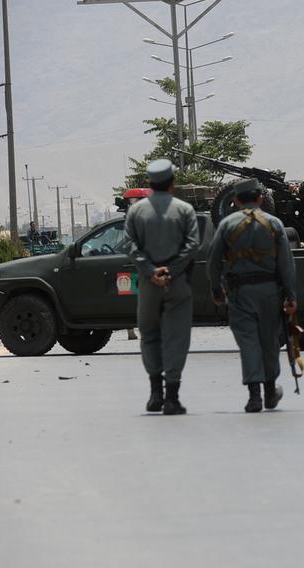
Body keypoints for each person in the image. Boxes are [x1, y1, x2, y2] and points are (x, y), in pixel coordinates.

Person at [208, 178, 297, 413]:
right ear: (260, 198)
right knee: (269, 341)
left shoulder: (226, 224)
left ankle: (254, 396)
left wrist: (216, 290)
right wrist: (290, 296)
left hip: (239, 293)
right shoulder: (274, 224)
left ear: (236, 200)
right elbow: (286, 265)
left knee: (248, 342)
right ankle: (270, 391)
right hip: (269, 292)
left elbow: (213, 262)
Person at [124, 159, 200, 415]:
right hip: (176, 283)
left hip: (148, 284)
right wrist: (171, 270)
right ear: (172, 183)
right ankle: (172, 398)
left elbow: (129, 246)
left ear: (149, 183)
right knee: (176, 337)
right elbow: (192, 246)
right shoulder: (185, 210)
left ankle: (155, 393)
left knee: (149, 334)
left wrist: (150, 271)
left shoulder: (135, 212)